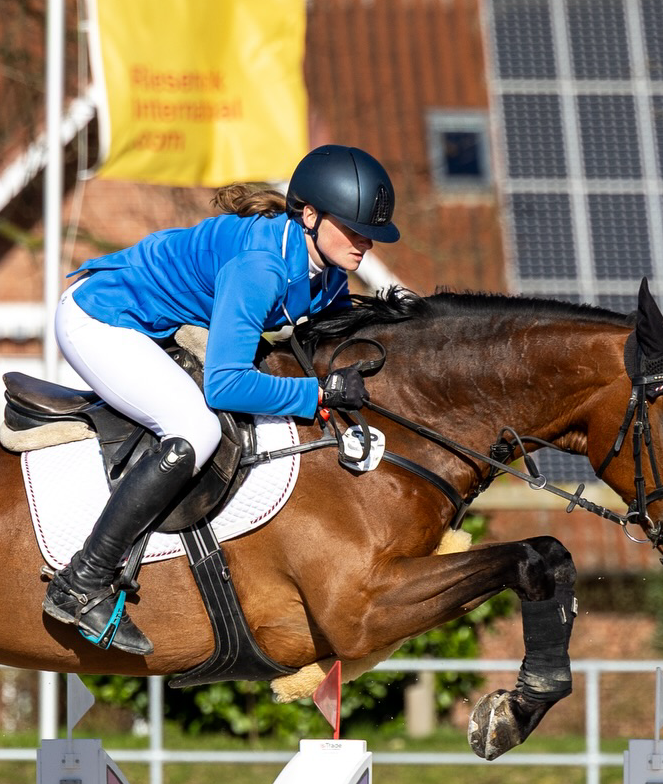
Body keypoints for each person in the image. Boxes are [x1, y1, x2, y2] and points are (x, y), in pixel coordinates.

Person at [43, 143, 401, 656]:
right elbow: (226, 384)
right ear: (310, 216)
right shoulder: (262, 267)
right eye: (354, 229)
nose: (365, 243)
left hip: (154, 329)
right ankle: (82, 581)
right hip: (101, 319)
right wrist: (318, 393)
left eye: (371, 233)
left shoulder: (327, 272)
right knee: (196, 429)